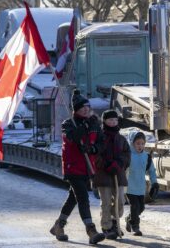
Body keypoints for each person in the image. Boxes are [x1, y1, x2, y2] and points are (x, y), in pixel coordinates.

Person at [50, 89, 105, 245]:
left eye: (87, 107)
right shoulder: (68, 124)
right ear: (76, 110)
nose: (86, 109)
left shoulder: (94, 123)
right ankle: (91, 230)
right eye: (82, 108)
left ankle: (58, 226)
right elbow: (72, 138)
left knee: (73, 198)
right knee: (83, 198)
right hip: (73, 168)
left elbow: (101, 142)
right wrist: (84, 126)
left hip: (88, 167)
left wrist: (93, 149)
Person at [93, 110, 130, 239]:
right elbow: (95, 155)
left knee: (120, 201)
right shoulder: (100, 137)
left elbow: (126, 154)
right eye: (110, 120)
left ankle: (115, 221)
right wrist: (105, 164)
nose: (113, 122)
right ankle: (106, 226)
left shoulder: (121, 138)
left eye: (115, 120)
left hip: (118, 174)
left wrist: (119, 164)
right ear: (104, 121)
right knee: (106, 202)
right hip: (103, 175)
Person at [125, 131, 158, 236]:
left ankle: (129, 219)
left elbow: (152, 171)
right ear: (132, 143)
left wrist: (155, 183)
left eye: (142, 143)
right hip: (129, 187)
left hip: (140, 187)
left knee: (141, 208)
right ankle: (136, 227)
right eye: (138, 143)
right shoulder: (128, 155)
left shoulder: (146, 156)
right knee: (134, 206)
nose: (140, 146)